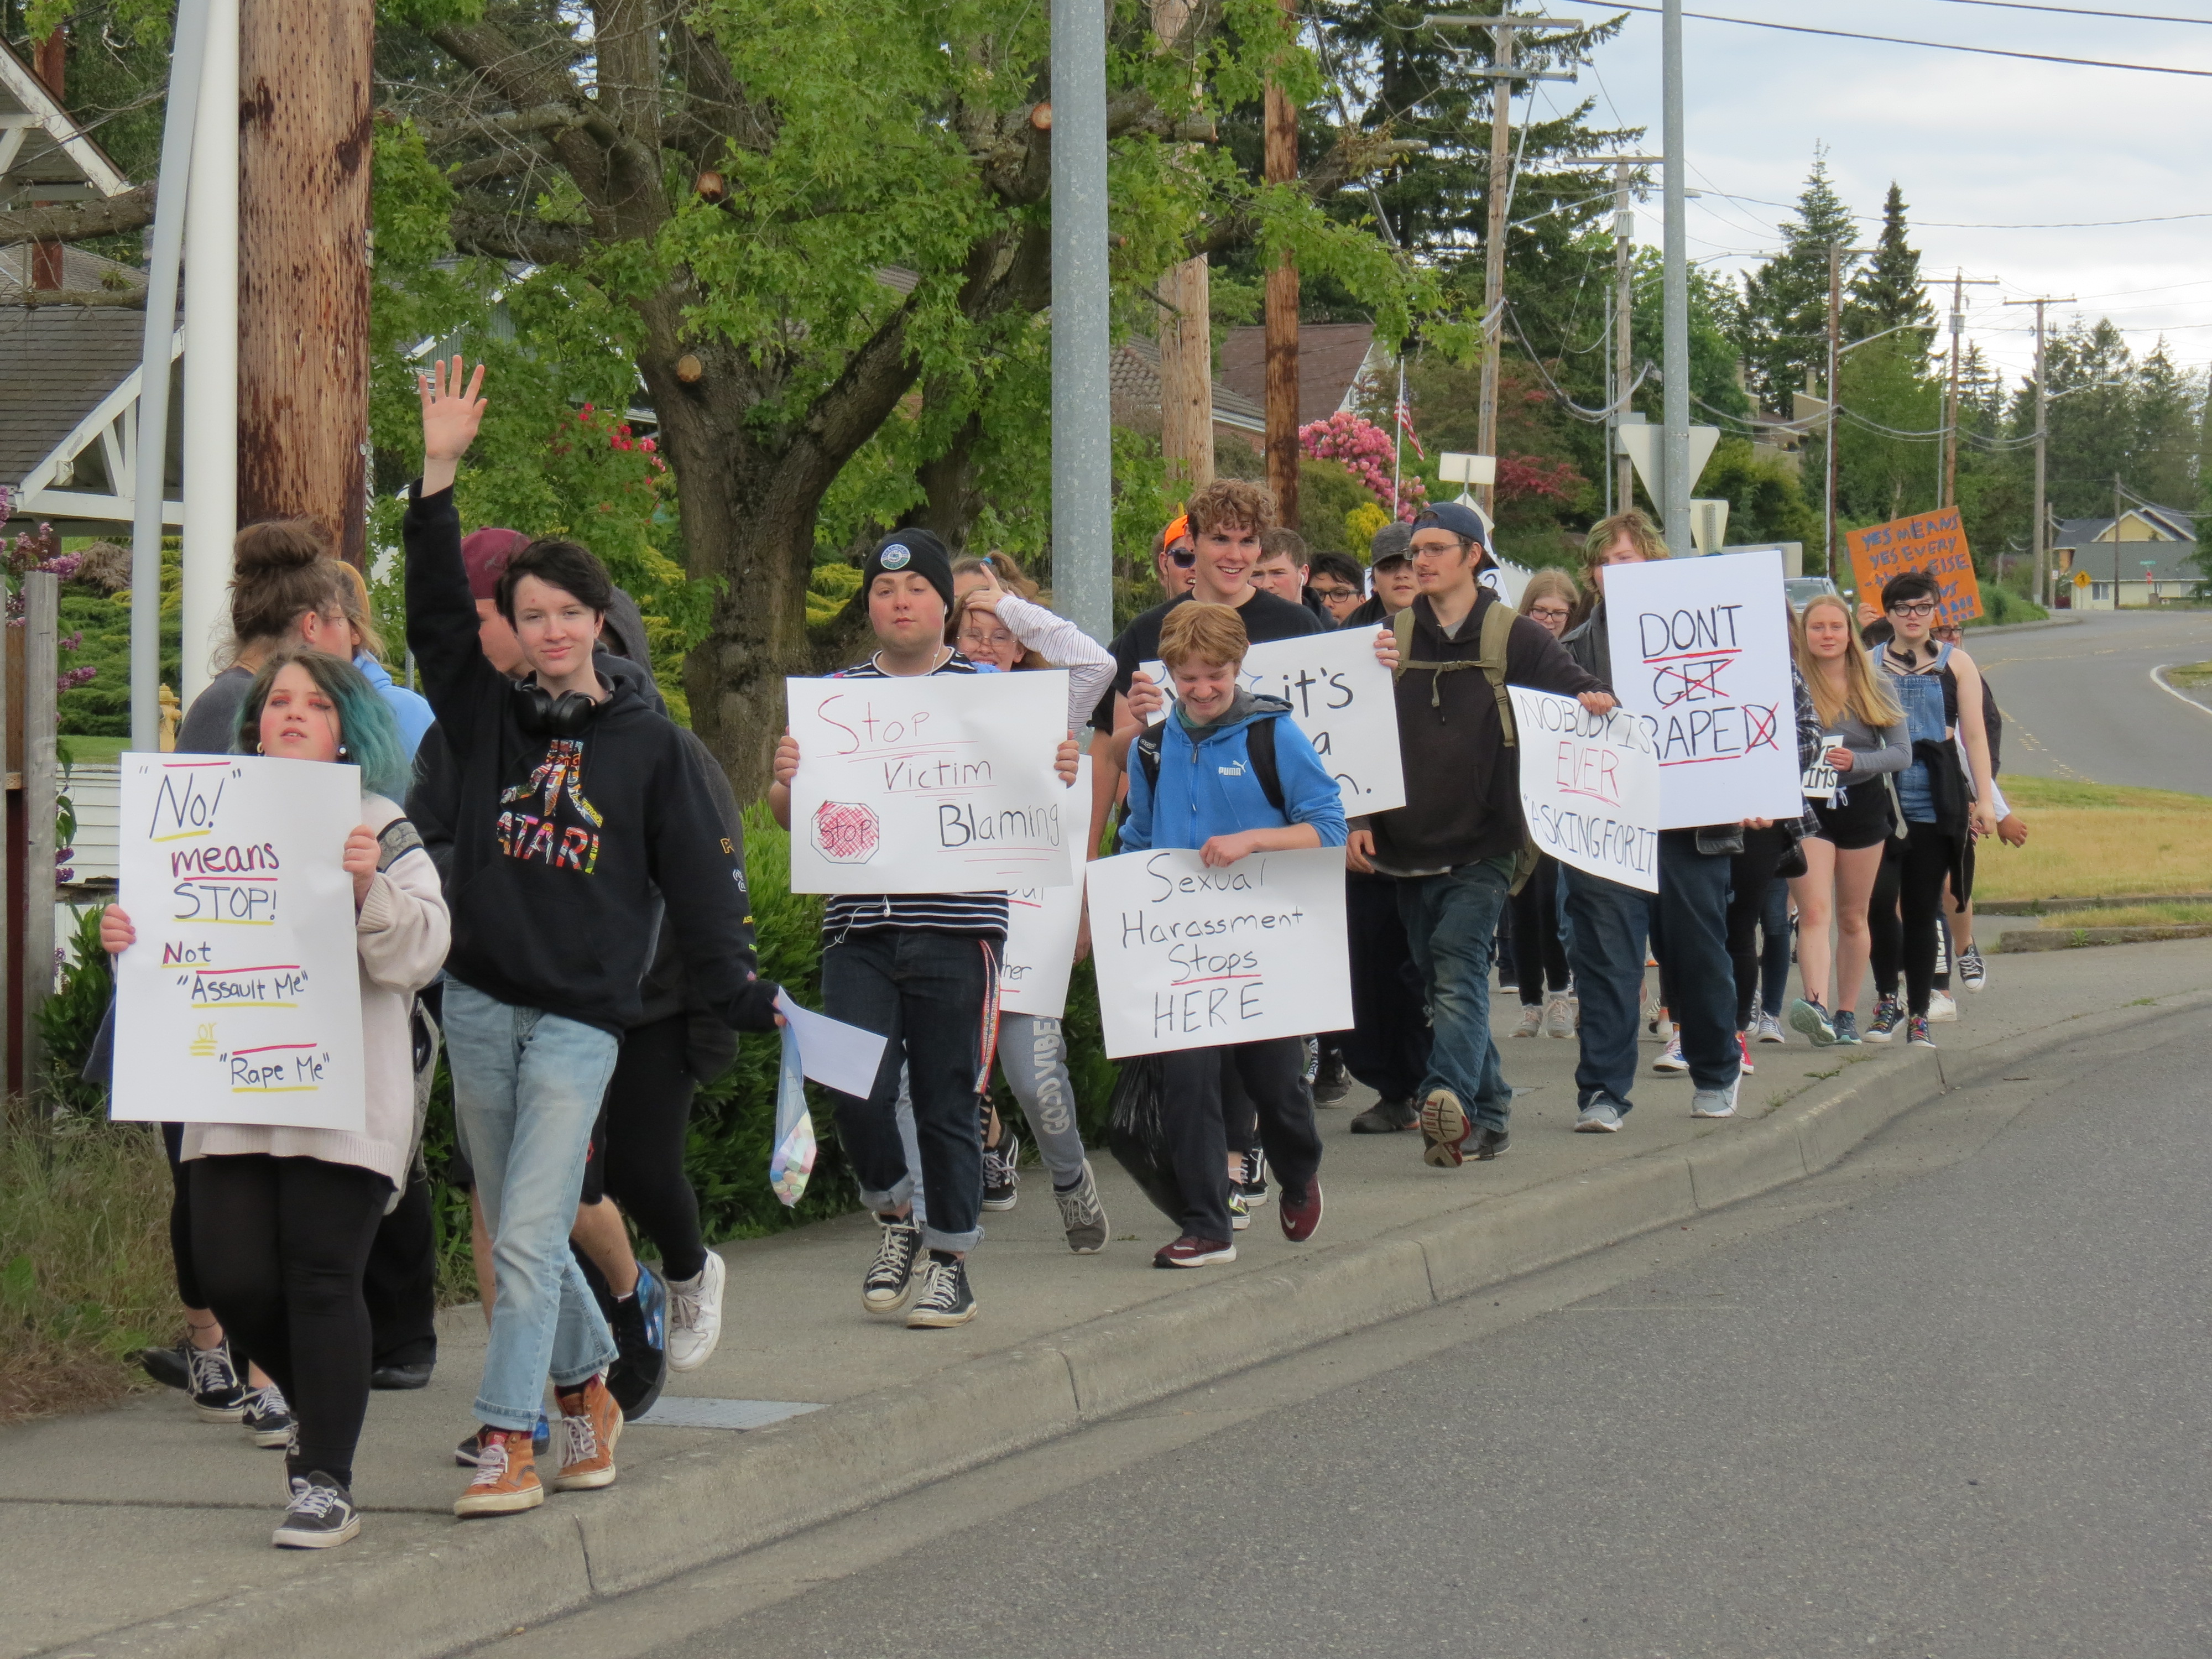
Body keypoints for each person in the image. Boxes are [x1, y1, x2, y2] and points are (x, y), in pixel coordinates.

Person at [406, 358, 780, 1518]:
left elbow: (703, 892)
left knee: (524, 1228)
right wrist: (438, 473)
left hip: (582, 1023)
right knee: (524, 1232)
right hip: (477, 1003)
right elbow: (428, 612)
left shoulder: (650, 748)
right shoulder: (481, 720)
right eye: (532, 616)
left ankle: (509, 1439)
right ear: (508, 632)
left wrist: (740, 996)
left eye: (572, 613)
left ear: (600, 621)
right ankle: (590, 1399)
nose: (552, 631)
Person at [103, 651, 450, 1548]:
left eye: (314, 703)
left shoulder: (379, 824)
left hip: (344, 1097)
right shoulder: (205, 824)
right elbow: (178, 947)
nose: (292, 714)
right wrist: (129, 938)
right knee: (233, 1275)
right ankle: (319, 1406)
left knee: (323, 1278)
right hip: (233, 1091)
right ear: (255, 725)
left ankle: (324, 1476)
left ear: (347, 729)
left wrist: (370, 887)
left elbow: (423, 951)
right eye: (277, 702)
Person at [771, 529, 1081, 1329]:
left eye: (915, 590)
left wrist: (1058, 770)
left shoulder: (991, 692)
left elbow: (1041, 786)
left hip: (960, 928)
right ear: (870, 604)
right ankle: (895, 1218)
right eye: (883, 589)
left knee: (948, 1099)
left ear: (945, 603)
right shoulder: (836, 698)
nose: (899, 602)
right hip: (860, 928)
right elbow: (793, 822)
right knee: (855, 1089)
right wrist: (787, 786)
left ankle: (951, 1259)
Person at [1349, 501, 1610, 1165]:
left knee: (1456, 970)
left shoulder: (1517, 637)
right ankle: (1491, 1112)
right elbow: (1348, 738)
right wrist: (1354, 819)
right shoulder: (1383, 638)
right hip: (1404, 847)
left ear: (1473, 556)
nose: (1421, 561)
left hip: (1487, 844)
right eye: (1415, 551)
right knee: (1439, 976)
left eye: (1435, 548)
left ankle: (1448, 1098)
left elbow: (1577, 693)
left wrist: (1598, 701)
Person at [1558, 510, 1807, 1133]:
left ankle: (1717, 1070)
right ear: (1591, 574)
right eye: (1608, 561)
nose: (1619, 571)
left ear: (1658, 566)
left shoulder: (1720, 632)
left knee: (1697, 957)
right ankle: (1603, 1094)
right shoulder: (1565, 655)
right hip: (1606, 835)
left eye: (1632, 559)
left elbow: (1774, 719)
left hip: (1694, 831)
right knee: (1608, 962)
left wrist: (1758, 788)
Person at [1118, 602, 1342, 1264]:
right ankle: (1206, 1224)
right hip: (1181, 947)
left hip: (1263, 942)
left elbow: (1327, 827)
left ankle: (1299, 1173)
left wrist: (1253, 841)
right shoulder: (1152, 747)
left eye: (1214, 675)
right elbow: (1137, 838)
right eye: (1186, 679)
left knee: (1274, 1083)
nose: (1202, 690)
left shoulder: (1273, 736)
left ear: (1237, 668)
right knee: (1187, 1084)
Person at [912, 551, 1115, 1250]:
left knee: (1035, 1076)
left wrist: (1002, 604)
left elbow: (1097, 667)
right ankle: (934, 1209)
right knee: (933, 1075)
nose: (988, 645)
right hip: (942, 922)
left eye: (1002, 632)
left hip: (1025, 924)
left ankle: (1068, 1178)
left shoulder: (1047, 703)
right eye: (973, 631)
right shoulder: (924, 697)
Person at [1087, 481, 1324, 857]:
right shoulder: (1148, 630)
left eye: (1247, 541)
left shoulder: (1299, 625)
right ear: (1192, 543)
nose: (1235, 555)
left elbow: (1330, 738)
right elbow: (1121, 755)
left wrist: (1375, 661)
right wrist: (1141, 723)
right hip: (1166, 846)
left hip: (1262, 858)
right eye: (1220, 539)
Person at [1863, 571, 1997, 1049]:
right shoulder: (1868, 664)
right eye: (1903, 608)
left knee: (1922, 907)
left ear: (1936, 610)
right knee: (1880, 905)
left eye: (1922, 607)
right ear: (1889, 614)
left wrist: (1985, 800)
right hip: (1880, 793)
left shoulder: (1956, 664)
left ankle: (1919, 1011)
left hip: (1937, 794)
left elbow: (1974, 736)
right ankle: (1886, 1000)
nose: (1913, 616)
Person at [1785, 593, 1907, 1046]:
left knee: (1854, 917)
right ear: (1804, 633)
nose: (1827, 636)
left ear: (1849, 632)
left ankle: (1846, 1013)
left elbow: (1901, 754)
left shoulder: (1875, 683)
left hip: (1862, 806)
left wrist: (1855, 762)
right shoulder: (1789, 681)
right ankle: (1815, 1005)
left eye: (1836, 627)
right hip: (1808, 809)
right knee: (1814, 911)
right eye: (1817, 627)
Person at [1504, 568, 1579, 1040]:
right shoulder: (1514, 653)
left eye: (1558, 613)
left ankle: (1561, 994)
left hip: (1563, 787)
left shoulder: (1576, 659)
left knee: (1553, 894)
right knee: (1520, 894)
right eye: (1541, 611)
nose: (1549, 620)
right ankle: (1530, 1000)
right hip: (1516, 783)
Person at [333, 561, 435, 760]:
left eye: (322, 618)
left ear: (355, 631)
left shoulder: (406, 710)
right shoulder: (279, 707)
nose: (307, 633)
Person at [1342, 524, 1419, 629]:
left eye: (1412, 566)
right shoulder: (1352, 630)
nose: (1401, 575)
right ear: (1374, 582)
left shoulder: (1447, 622)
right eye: (1388, 568)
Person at [1253, 526, 1322, 621]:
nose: (1266, 585)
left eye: (1277, 573)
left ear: (1304, 574)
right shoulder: (1234, 627)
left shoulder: (1331, 632)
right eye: (1257, 575)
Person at [1307, 553, 1367, 627]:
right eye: (1318, 595)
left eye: (1340, 594)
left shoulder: (1380, 635)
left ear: (1362, 602)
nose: (1326, 604)